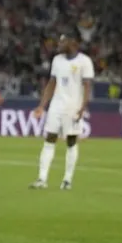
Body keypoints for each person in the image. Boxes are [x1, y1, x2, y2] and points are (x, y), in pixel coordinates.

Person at [30, 31, 94, 190]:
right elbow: (51, 83)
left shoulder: (84, 61)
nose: (59, 45)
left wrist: (83, 107)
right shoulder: (57, 60)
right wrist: (42, 105)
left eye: (62, 42)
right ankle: (42, 179)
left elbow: (87, 87)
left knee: (71, 141)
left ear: (73, 42)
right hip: (56, 105)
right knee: (49, 138)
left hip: (73, 107)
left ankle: (67, 180)